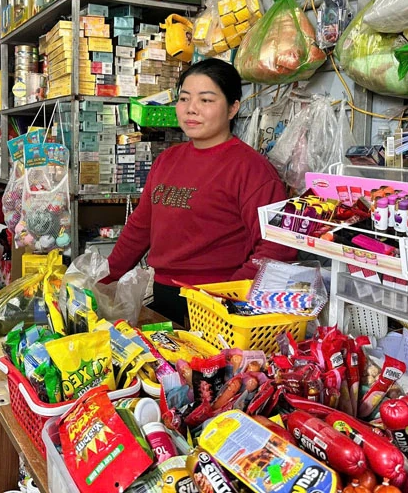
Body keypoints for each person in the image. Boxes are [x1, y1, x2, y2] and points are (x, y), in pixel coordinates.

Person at [106, 58, 296, 325]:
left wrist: (223, 299)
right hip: (162, 297)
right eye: (184, 99)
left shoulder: (252, 170)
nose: (191, 109)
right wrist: (103, 279)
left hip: (218, 305)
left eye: (206, 100)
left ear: (232, 108)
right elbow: (141, 226)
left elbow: (278, 247)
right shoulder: (167, 160)